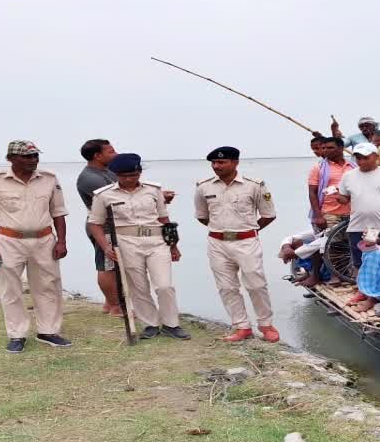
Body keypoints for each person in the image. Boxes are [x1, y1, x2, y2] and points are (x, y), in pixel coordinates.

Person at [0, 141, 71, 353]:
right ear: (11, 158)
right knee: (11, 288)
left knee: (49, 286)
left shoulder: (49, 179)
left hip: (44, 240)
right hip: (8, 241)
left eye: (35, 156)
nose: (33, 161)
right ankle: (17, 334)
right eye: (27, 157)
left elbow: (58, 212)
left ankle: (48, 331)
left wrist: (62, 241)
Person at [88, 153, 190, 341]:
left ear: (139, 172)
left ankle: (171, 324)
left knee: (164, 285)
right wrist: (105, 247)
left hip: (156, 241)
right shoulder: (104, 195)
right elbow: (95, 223)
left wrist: (174, 245)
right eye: (124, 176)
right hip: (126, 242)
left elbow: (164, 219)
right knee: (138, 286)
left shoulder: (153, 190)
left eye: (133, 175)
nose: (128, 179)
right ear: (116, 174)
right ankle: (150, 324)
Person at [194, 146, 279, 343]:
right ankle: (241, 326)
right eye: (214, 163)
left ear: (235, 163)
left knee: (256, 284)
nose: (217, 166)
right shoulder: (203, 186)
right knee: (226, 287)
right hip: (217, 243)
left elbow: (268, 214)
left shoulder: (254, 185)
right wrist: (222, 231)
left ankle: (266, 324)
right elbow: (201, 216)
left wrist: (248, 230)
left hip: (247, 241)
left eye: (222, 162)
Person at [333, 144, 380, 269]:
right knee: (360, 262)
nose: (361, 161)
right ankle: (363, 287)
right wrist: (338, 197)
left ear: (376, 156)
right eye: (358, 158)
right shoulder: (348, 176)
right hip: (357, 226)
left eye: (365, 158)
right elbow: (344, 199)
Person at [75, 139, 121, 316]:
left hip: (114, 225)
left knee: (115, 266)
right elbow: (116, 197)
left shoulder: (107, 171)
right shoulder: (90, 178)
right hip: (103, 226)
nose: (115, 154)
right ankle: (115, 306)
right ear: (97, 155)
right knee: (107, 266)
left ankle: (109, 304)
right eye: (111, 151)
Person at [307, 136, 355, 232]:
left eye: (330, 148)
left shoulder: (353, 166)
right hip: (329, 214)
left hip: (353, 214)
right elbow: (312, 193)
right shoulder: (318, 168)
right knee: (332, 244)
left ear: (341, 148)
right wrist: (318, 216)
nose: (326, 151)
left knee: (350, 244)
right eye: (324, 148)